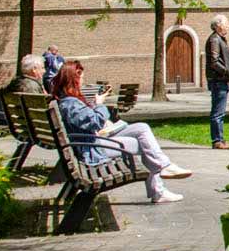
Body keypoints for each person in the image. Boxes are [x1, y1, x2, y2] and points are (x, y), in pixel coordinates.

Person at [50, 60, 192, 204]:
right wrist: (99, 104)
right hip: (93, 149)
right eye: (81, 78)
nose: (82, 81)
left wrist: (94, 105)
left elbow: (87, 121)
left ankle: (164, 169)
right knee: (142, 144)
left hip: (92, 140)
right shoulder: (70, 103)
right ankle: (159, 186)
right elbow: (96, 121)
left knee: (142, 128)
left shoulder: (68, 101)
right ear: (73, 79)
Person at [205, 15, 229, 150]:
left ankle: (220, 139)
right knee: (218, 112)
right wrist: (227, 73)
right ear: (218, 25)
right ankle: (217, 141)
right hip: (219, 80)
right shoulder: (214, 40)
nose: (228, 26)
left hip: (221, 79)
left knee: (220, 111)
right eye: (226, 24)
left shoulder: (219, 39)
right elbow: (214, 61)